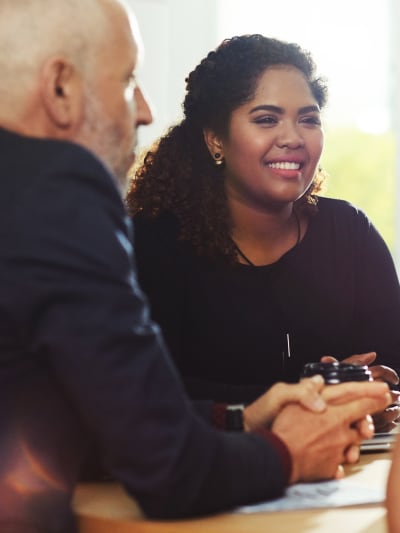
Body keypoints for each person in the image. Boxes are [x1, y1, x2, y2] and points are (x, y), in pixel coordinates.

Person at [0, 3, 392, 532]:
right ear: (61, 88)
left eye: (307, 117)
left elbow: (94, 420)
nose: (143, 109)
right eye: (127, 81)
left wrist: (247, 415)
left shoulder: (348, 229)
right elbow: (165, 463)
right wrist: (289, 450)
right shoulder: (60, 199)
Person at [127, 34, 400, 430]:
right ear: (215, 138)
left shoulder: (351, 234)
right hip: (210, 479)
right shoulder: (155, 245)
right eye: (266, 119)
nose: (293, 138)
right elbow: (149, 394)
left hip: (348, 473)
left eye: (308, 119)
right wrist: (307, 393)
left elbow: (393, 365)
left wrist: (375, 386)